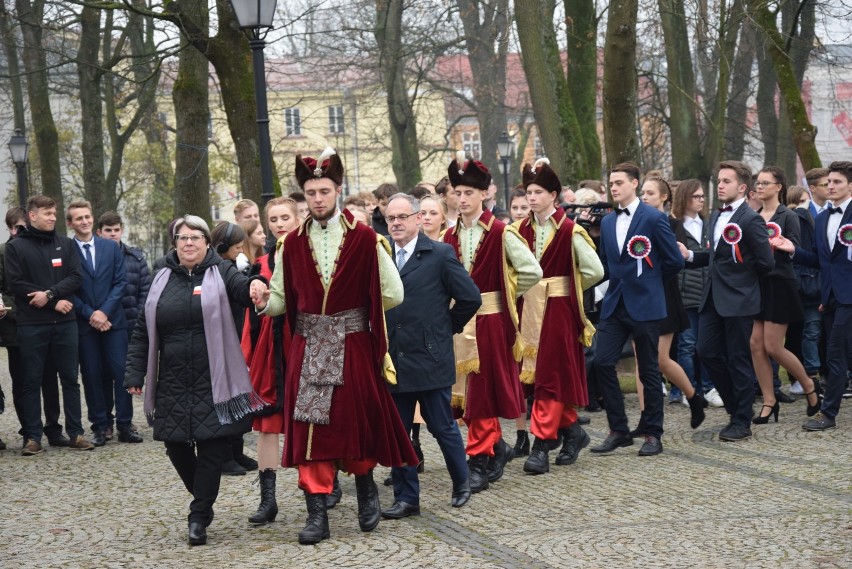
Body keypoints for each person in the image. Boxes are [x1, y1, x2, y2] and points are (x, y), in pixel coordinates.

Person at [255, 148, 418, 545]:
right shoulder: (289, 244)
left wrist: (359, 316)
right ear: (304, 195)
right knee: (311, 431)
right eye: (311, 193)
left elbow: (393, 293)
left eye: (324, 191)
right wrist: (263, 300)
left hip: (353, 346)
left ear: (338, 190)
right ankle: (317, 515)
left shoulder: (367, 239)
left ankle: (366, 493)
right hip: (309, 347)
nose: (318, 199)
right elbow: (280, 299)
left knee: (353, 423)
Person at [124, 214, 268, 546]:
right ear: (174, 244)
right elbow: (142, 330)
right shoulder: (160, 276)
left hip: (216, 376)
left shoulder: (222, 271)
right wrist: (134, 372)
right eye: (182, 238)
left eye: (195, 237)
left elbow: (241, 288)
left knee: (212, 446)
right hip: (172, 377)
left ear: (206, 242)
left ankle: (198, 515)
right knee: (175, 445)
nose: (189, 243)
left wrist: (255, 286)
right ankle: (203, 496)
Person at [442, 151, 542, 491]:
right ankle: (495, 446)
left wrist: (506, 294)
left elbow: (531, 270)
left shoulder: (502, 232)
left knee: (482, 392)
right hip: (459, 323)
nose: (463, 198)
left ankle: (480, 459)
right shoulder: (447, 236)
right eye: (458, 192)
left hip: (491, 321)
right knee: (465, 394)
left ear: (484, 194)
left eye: (469, 192)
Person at [382, 193, 481, 518]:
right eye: (391, 218)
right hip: (395, 359)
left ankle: (462, 481)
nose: (396, 223)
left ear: (416, 219)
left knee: (442, 427)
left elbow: (469, 298)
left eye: (402, 217)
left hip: (430, 358)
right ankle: (407, 497)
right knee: (398, 431)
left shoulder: (439, 254)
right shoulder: (381, 256)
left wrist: (443, 330)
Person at [515, 159, 603, 474]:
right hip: (528, 311)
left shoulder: (571, 230)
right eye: (529, 192)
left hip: (558, 311)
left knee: (550, 378)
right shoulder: (517, 230)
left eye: (539, 191)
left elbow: (594, 270)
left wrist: (567, 288)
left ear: (554, 194)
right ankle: (573, 433)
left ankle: (541, 445)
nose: (532, 197)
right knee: (537, 377)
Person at [590, 163, 684, 457]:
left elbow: (674, 261)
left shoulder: (654, 218)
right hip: (616, 303)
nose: (614, 187)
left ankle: (653, 433)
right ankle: (618, 430)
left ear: (634, 184)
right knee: (602, 362)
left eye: (619, 182)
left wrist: (651, 282)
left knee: (649, 369)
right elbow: (607, 262)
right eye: (611, 183)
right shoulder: (606, 223)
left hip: (646, 304)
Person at [679, 161, 774, 442]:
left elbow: (766, 262)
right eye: (719, 180)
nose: (720, 185)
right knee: (705, 351)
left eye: (726, 181)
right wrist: (689, 257)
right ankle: (736, 407)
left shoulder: (750, 219)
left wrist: (741, 280)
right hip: (712, 299)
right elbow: (715, 257)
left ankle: (741, 420)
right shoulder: (715, 217)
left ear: (742, 187)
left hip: (739, 301)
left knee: (738, 359)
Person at [5, 195, 94, 454]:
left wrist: (52, 294)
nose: (53, 217)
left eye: (54, 213)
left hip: (65, 324)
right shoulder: (16, 247)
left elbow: (76, 276)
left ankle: (76, 433)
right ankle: (33, 437)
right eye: (47, 213)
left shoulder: (65, 245)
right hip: (32, 325)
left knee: (69, 379)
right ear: (32, 216)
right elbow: (16, 283)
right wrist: (51, 301)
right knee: (31, 381)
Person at [775, 160, 852, 430]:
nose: (830, 186)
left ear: (850, 185)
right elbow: (822, 260)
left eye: (837, 182)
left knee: (835, 354)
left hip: (849, 298)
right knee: (840, 354)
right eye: (828, 182)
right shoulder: (821, 219)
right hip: (831, 298)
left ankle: (828, 414)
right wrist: (792, 249)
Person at [242, 197, 301, 525]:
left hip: (303, 343)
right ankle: (268, 499)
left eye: (285, 217)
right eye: (274, 219)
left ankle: (324, 484)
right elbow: (251, 318)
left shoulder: (309, 257)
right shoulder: (261, 263)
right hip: (270, 348)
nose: (280, 223)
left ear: (297, 219)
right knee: (266, 425)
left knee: (312, 419)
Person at [749, 167, 821, 424]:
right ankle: (769, 400)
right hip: (759, 285)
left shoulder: (788, 215)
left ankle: (810, 387)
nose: (760, 187)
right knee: (756, 345)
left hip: (781, 283)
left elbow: (796, 247)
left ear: (778, 187)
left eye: (765, 183)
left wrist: (786, 247)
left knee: (773, 347)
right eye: (758, 183)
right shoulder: (753, 215)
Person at [66, 201, 138, 446]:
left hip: (113, 323)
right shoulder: (66, 250)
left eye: (87, 217)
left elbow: (120, 282)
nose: (84, 221)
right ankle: (100, 425)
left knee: (122, 374)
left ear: (92, 220)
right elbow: (67, 288)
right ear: (70, 223)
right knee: (92, 375)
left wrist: (104, 312)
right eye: (78, 218)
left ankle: (125, 425)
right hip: (85, 324)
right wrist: (91, 314)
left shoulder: (110, 247)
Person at [639, 178, 709, 429]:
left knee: (660, 358)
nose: (644, 197)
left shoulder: (672, 224)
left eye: (650, 193)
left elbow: (676, 260)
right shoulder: (635, 221)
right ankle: (646, 418)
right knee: (641, 360)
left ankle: (693, 396)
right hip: (638, 296)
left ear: (664, 197)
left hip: (665, 294)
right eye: (642, 193)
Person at [209, 220, 258, 476]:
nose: (241, 251)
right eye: (237, 247)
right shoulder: (218, 270)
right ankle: (224, 455)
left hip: (239, 337)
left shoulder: (232, 267)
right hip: (224, 339)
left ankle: (236, 449)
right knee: (227, 396)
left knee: (240, 395)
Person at [669, 180, 724, 408]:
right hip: (685, 293)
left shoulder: (710, 224)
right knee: (687, 344)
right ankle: (689, 389)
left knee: (708, 345)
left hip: (708, 292)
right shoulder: (673, 225)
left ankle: (710, 387)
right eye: (696, 196)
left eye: (702, 196)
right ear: (684, 198)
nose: (701, 200)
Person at [96, 211, 149, 440]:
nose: (112, 234)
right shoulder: (95, 257)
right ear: (100, 232)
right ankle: (105, 422)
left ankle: (125, 423)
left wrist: (138, 318)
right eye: (108, 230)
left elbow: (145, 292)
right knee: (102, 375)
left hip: (130, 325)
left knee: (125, 376)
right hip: (102, 324)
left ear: (122, 231)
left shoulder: (135, 258)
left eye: (116, 230)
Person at [781, 186, 821, 395]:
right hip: (798, 284)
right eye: (803, 200)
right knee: (799, 334)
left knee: (810, 332)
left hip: (809, 282)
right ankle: (806, 378)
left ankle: (810, 378)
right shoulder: (798, 217)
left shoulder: (814, 217)